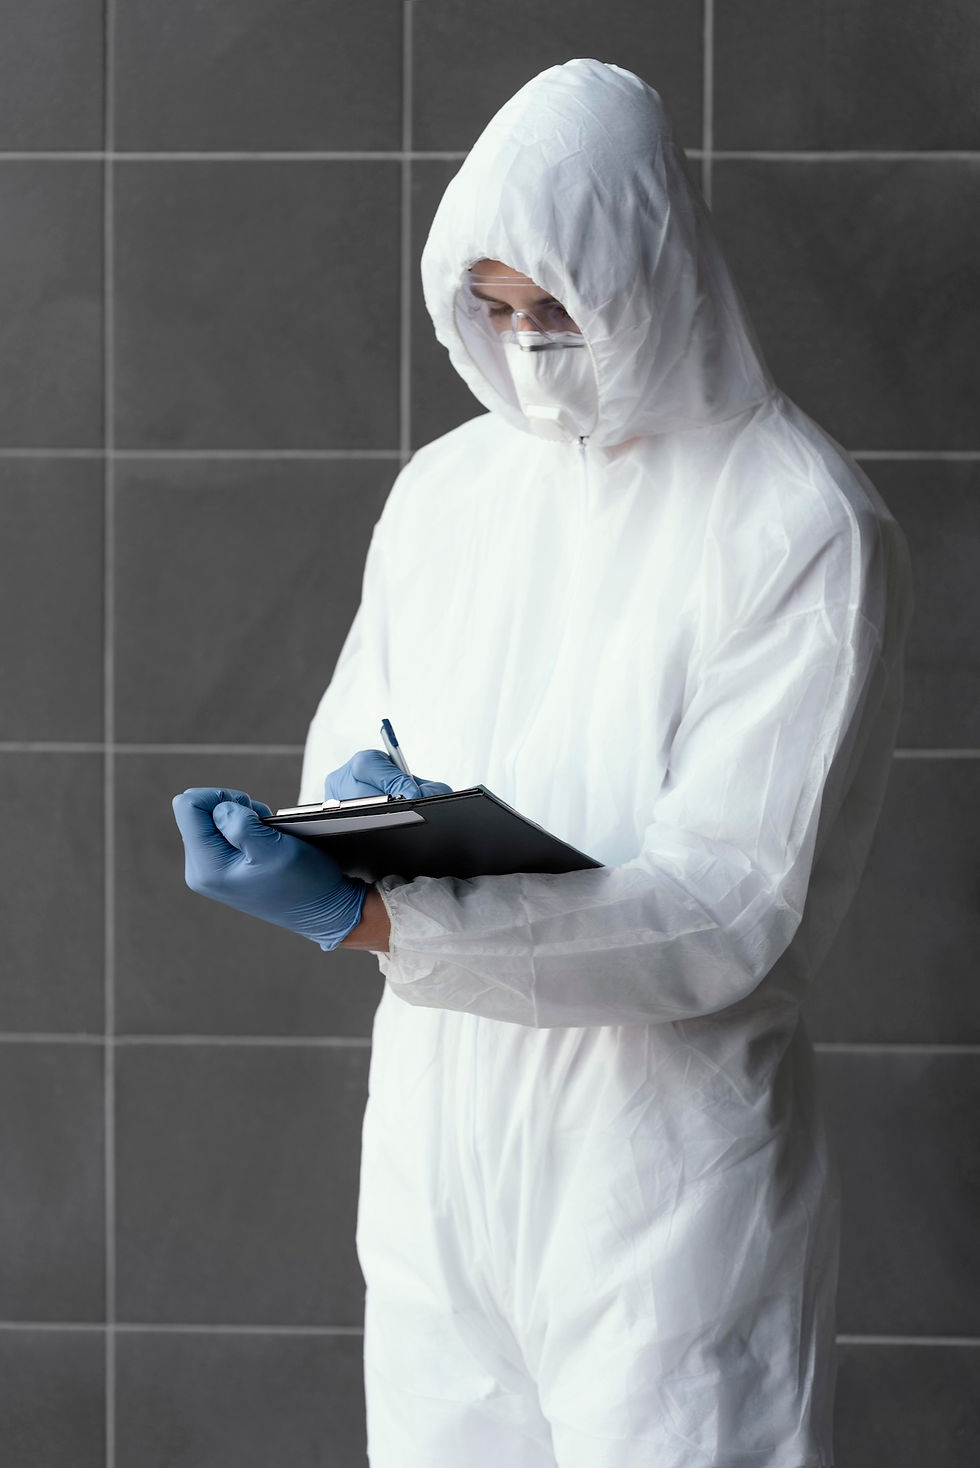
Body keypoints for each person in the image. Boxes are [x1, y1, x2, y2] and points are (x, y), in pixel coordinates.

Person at [172, 59, 911, 1468]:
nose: (526, 348)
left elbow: (724, 908)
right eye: (496, 312)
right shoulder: (449, 493)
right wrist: (327, 830)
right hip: (440, 1143)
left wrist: (380, 916)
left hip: (660, 1173)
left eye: (557, 310)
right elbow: (364, 735)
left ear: (648, 268)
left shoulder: (798, 522)